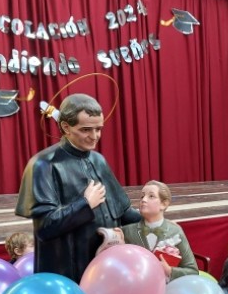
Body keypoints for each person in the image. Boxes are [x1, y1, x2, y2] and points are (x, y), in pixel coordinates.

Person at [15, 93, 141, 283]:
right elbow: (45, 228)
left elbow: (121, 212)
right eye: (86, 130)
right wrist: (85, 204)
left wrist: (153, 219)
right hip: (68, 270)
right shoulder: (42, 164)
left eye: (99, 129)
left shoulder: (99, 160)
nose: (94, 136)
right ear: (66, 127)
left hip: (105, 267)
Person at [119, 180, 199, 281]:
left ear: (164, 204)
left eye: (151, 196)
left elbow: (193, 271)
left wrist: (170, 270)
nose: (144, 199)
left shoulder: (175, 231)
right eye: (142, 196)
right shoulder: (127, 231)